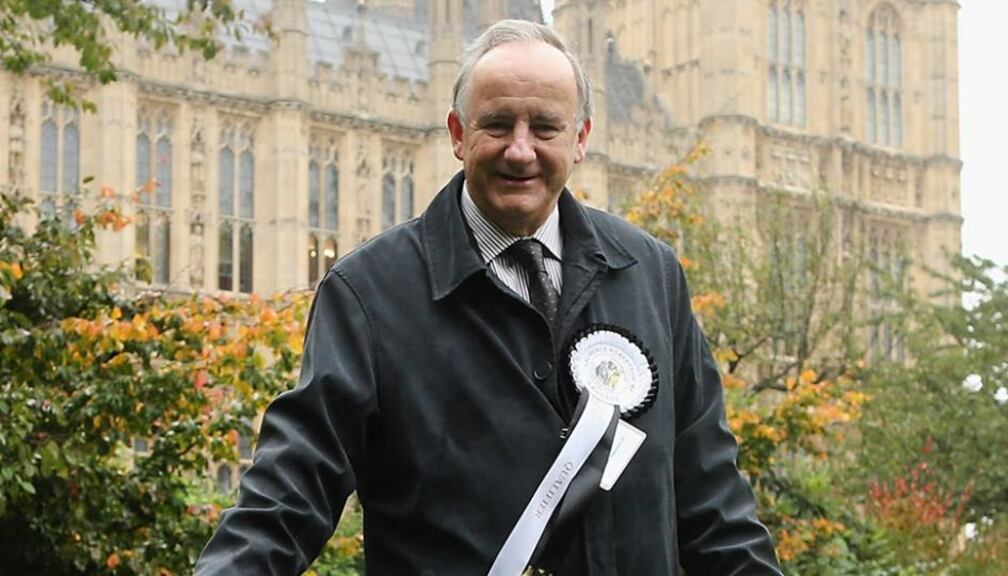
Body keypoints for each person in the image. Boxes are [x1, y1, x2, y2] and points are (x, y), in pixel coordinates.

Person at [196, 19, 781, 575]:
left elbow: (715, 507)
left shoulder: (650, 274)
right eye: (498, 125)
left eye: (545, 128)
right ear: (457, 134)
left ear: (580, 140)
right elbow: (289, 493)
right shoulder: (369, 292)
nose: (521, 150)